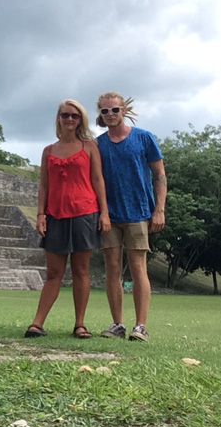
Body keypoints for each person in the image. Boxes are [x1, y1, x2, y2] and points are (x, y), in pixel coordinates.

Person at [25, 99, 110, 339]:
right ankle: (37, 322)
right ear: (59, 118)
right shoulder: (48, 151)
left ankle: (80, 324)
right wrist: (40, 214)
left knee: (81, 270)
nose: (70, 119)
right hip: (55, 215)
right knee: (54, 272)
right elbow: (44, 185)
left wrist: (104, 213)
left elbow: (97, 181)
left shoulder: (89, 147)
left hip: (84, 212)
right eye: (65, 115)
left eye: (74, 115)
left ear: (80, 119)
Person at [96, 92, 166, 342]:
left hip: (138, 212)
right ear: (100, 115)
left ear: (124, 110)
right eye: (105, 111)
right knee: (112, 268)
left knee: (138, 268)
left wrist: (159, 209)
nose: (110, 115)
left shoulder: (143, 138)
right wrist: (101, 213)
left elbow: (159, 175)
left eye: (114, 110)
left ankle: (141, 325)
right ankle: (117, 323)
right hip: (109, 215)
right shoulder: (98, 144)